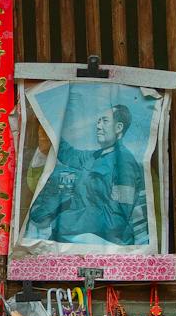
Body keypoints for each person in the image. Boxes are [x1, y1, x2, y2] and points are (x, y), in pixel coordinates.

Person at [26, 100, 149, 247]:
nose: (98, 126)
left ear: (119, 127)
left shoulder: (125, 164)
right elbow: (70, 154)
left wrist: (64, 221)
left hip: (103, 243)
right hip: (77, 232)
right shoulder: (95, 156)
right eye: (98, 121)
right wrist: (51, 130)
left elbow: (117, 219)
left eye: (104, 121)